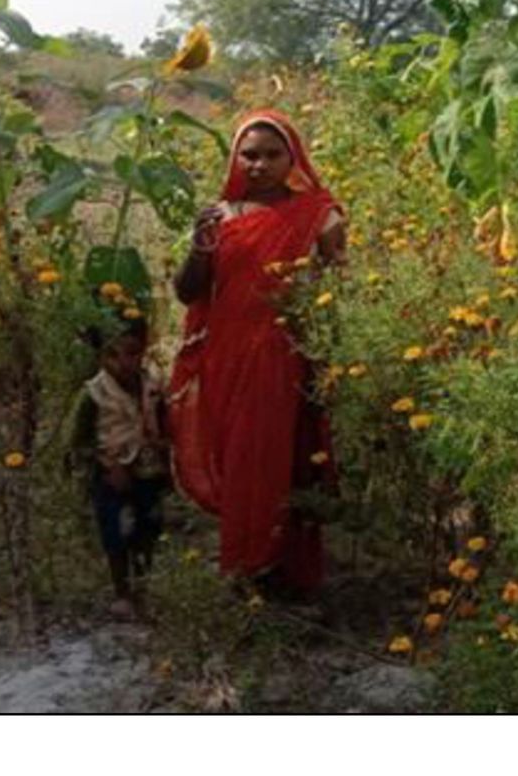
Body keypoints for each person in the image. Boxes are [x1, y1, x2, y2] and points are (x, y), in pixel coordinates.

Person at [169, 109, 345, 597]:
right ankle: (248, 572)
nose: (260, 164)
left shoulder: (320, 214)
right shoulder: (217, 218)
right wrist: (200, 249)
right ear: (235, 159)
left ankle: (274, 573)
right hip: (226, 358)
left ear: (293, 157)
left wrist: (330, 353)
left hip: (284, 358)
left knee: (275, 460)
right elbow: (188, 293)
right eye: (250, 155)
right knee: (237, 462)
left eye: (272, 154)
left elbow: (340, 289)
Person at [69, 316, 170, 620]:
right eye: (114, 354)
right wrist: (107, 465)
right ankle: (122, 593)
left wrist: (166, 459)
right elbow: (78, 442)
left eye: (132, 352)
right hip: (112, 477)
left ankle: (142, 590)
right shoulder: (94, 394)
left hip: (148, 472)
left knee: (147, 531)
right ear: (102, 357)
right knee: (116, 533)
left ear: (143, 350)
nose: (124, 362)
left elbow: (164, 425)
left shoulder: (152, 385)